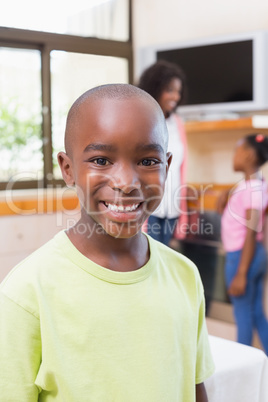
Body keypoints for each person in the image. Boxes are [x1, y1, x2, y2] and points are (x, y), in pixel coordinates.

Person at [0, 84, 214, 401]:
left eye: (147, 161)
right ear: (68, 169)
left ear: (167, 167)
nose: (126, 183)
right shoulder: (27, 292)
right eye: (101, 161)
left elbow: (194, 387)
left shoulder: (185, 276)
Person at [217, 133, 268, 354]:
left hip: (243, 255)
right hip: (254, 253)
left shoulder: (251, 189)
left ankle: (243, 364)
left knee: (242, 313)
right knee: (255, 311)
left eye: (237, 151)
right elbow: (234, 218)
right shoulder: (256, 184)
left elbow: (251, 230)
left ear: (248, 155)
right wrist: (225, 197)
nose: (234, 156)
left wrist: (241, 273)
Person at [138, 60, 188, 245]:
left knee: (162, 263)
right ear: (155, 88)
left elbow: (182, 168)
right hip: (149, 210)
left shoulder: (178, 123)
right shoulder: (143, 119)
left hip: (171, 210)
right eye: (170, 90)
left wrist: (182, 212)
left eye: (178, 91)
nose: (175, 96)